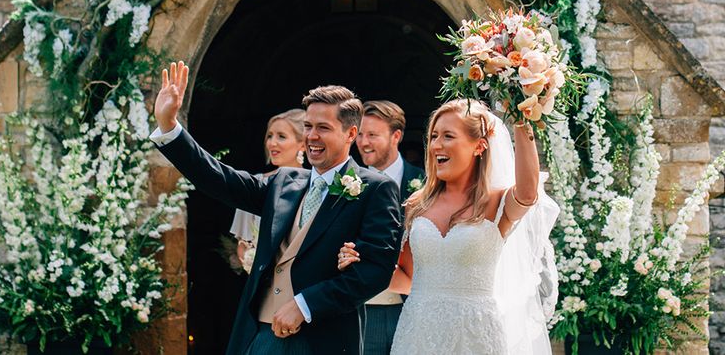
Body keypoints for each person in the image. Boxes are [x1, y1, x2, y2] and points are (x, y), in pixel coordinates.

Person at [151, 61, 402, 355]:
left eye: (323, 128)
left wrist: (306, 305)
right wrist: (170, 128)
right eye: (308, 127)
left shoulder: (376, 188)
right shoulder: (285, 181)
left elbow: (374, 271)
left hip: (324, 340)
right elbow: (221, 180)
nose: (312, 136)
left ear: (350, 134)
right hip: (260, 335)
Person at [339, 98, 556, 354]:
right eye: (433, 136)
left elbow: (528, 193)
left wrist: (523, 117)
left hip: (475, 335)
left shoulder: (496, 202)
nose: (436, 145)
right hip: (418, 333)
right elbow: (407, 278)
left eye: (448, 136)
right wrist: (363, 265)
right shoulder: (416, 204)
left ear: (479, 146)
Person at [355, 100, 424, 355]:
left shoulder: (425, 182)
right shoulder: (349, 184)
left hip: (414, 306)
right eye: (360, 134)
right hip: (366, 308)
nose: (363, 142)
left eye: (372, 135)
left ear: (396, 136)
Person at [229, 109, 306, 273]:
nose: (272, 143)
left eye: (281, 136)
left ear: (303, 144)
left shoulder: (317, 184)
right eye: (270, 136)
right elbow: (243, 245)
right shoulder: (255, 184)